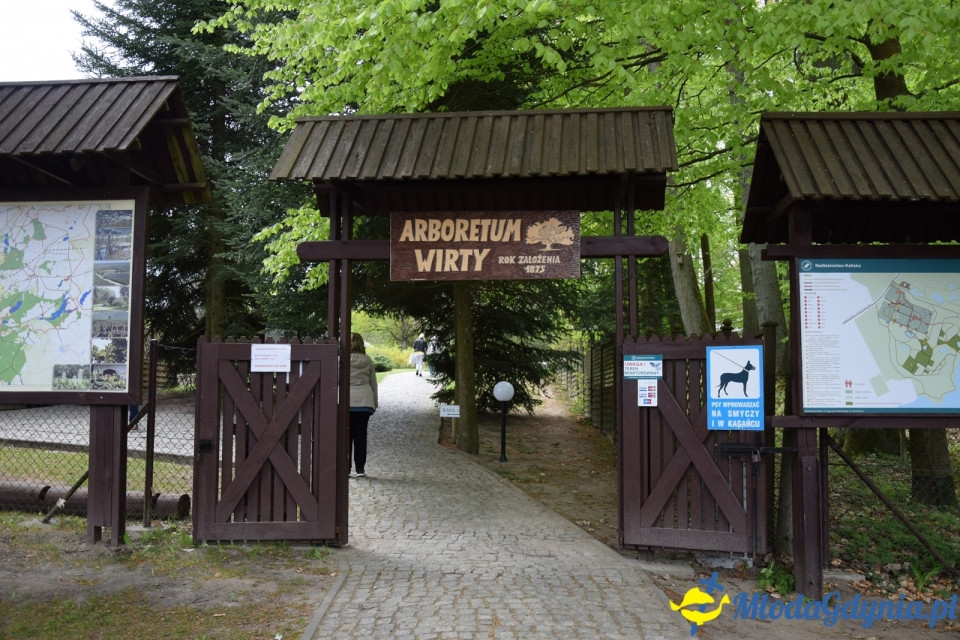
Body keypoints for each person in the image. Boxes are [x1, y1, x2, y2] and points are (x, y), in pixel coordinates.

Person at [349, 332, 378, 478]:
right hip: (364, 401)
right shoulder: (368, 360)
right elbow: (373, 383)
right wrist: (375, 401)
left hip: (346, 402)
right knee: (361, 435)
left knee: (346, 436)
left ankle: (345, 468)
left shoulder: (342, 360)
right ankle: (360, 469)